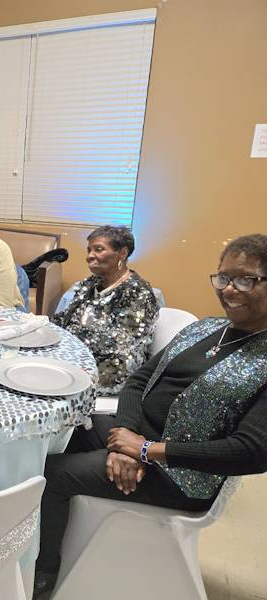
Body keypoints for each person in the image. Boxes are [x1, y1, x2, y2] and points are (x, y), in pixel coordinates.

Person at [34, 233, 267, 598]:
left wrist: (148, 451)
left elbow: (252, 451)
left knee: (52, 475)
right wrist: (125, 437)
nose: (229, 289)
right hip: (138, 435)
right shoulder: (207, 327)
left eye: (246, 279)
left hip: (182, 474)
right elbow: (140, 379)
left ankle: (44, 573)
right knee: (51, 435)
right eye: (223, 278)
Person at [52, 225, 158, 395]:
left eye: (98, 249)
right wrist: (39, 325)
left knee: (47, 381)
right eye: (89, 250)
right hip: (78, 355)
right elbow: (65, 319)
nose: (89, 256)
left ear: (122, 253)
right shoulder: (90, 284)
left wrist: (68, 339)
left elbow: (119, 342)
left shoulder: (138, 292)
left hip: (112, 369)